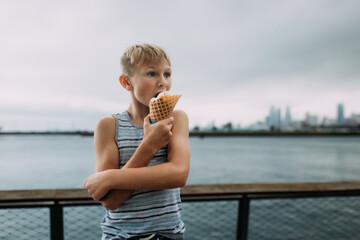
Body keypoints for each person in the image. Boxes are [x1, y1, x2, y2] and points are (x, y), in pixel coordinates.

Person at [84, 43, 190, 240]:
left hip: (168, 235)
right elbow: (112, 200)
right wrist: (149, 146)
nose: (163, 83)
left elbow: (179, 174)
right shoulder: (109, 126)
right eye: (152, 74)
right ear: (127, 82)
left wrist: (109, 178)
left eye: (167, 74)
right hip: (121, 236)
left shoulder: (177, 119)